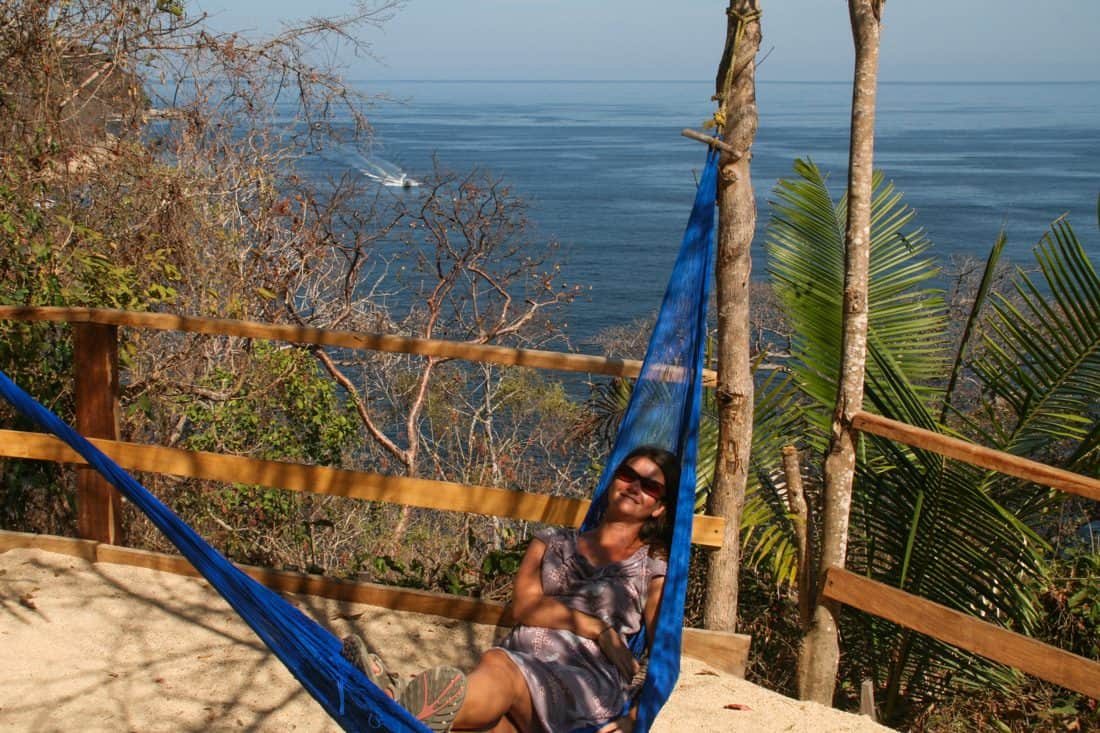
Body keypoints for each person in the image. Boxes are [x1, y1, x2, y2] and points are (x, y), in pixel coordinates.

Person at [342, 446, 680, 733]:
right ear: (613, 480)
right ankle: (400, 706)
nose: (635, 486)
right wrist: (598, 628)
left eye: (650, 486)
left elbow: (666, 656)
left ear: (660, 507)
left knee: (500, 667)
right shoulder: (552, 542)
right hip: (519, 668)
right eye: (627, 475)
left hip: (581, 687)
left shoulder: (652, 567)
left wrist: (636, 718)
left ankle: (396, 703)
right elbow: (524, 608)